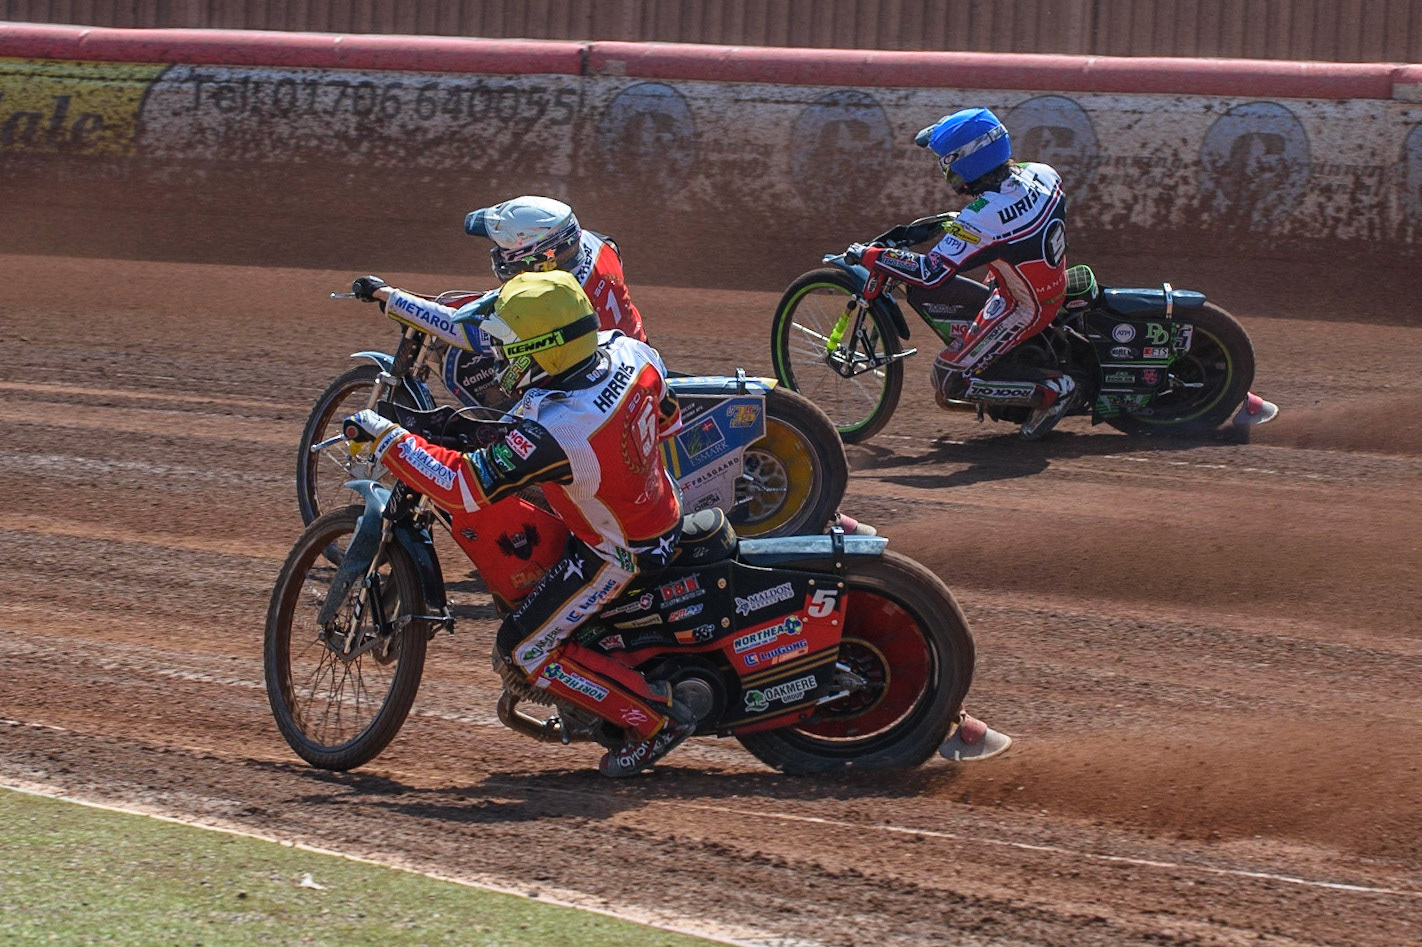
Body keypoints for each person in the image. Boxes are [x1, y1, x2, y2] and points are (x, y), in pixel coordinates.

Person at [342, 269, 712, 777]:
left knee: (521, 650)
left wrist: (388, 439)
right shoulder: (628, 351)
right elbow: (668, 420)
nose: (501, 359)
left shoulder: (558, 431)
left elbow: (461, 488)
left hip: (616, 552)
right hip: (656, 503)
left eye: (514, 349)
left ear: (550, 350)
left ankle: (655, 721)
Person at [468, 194, 874, 535]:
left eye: (506, 252)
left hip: (602, 376)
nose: (498, 259)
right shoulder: (595, 246)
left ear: (541, 257)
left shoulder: (566, 293)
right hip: (633, 357)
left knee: (541, 439)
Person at [846, 107, 1078, 441]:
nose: (946, 173)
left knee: (947, 379)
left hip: (1024, 308)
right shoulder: (1041, 173)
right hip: (1046, 280)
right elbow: (1011, 221)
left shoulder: (982, 218)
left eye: (947, 164)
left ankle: (1055, 389)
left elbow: (930, 275)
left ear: (965, 162)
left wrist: (871, 256)